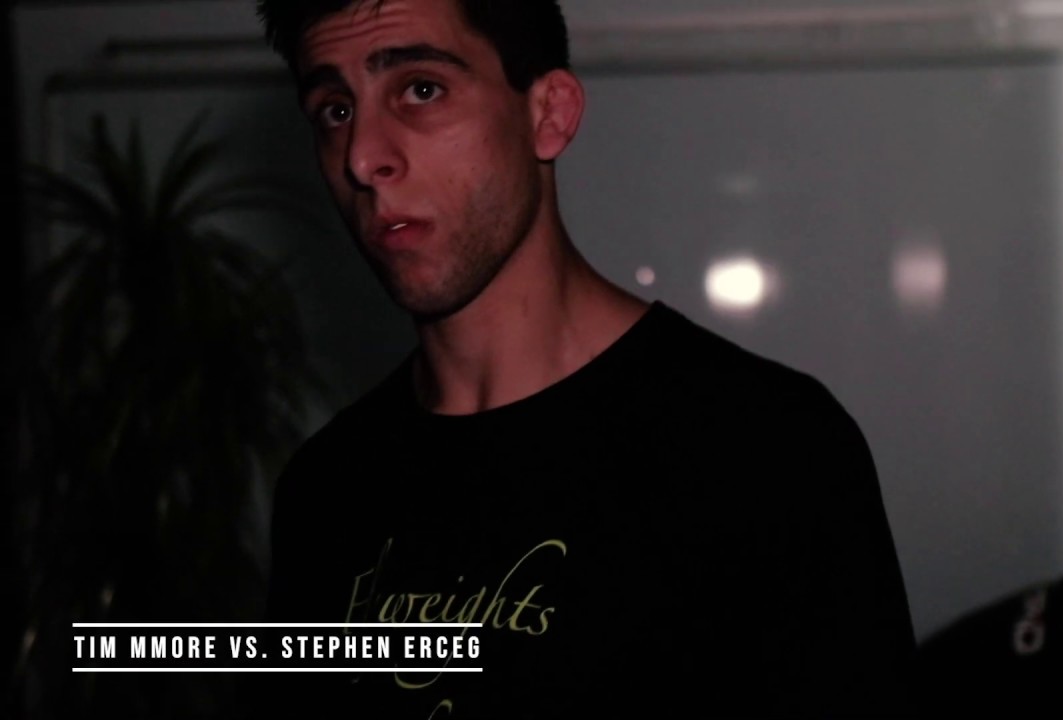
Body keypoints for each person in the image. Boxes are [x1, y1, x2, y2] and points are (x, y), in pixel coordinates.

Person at [254, 0, 916, 716]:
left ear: (550, 115)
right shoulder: (326, 492)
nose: (362, 157)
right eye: (334, 111)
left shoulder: (764, 449)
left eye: (421, 89)